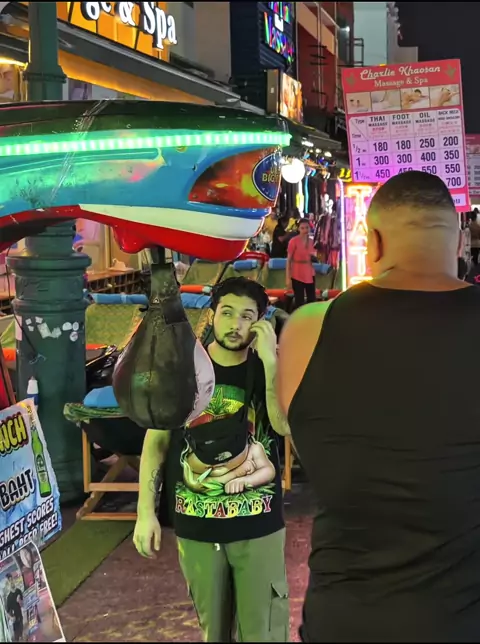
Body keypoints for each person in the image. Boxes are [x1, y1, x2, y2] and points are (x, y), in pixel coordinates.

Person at [277, 170, 480, 643]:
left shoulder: (308, 329)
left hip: (345, 619)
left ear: (372, 243)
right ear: (459, 243)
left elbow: (315, 441)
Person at [133, 277, 290, 643]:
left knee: (266, 633)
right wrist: (145, 513)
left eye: (247, 316)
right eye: (227, 313)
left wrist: (271, 362)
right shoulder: (183, 371)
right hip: (197, 527)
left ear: (260, 323)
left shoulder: (267, 370)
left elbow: (283, 426)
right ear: (212, 315)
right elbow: (156, 441)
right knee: (213, 632)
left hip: (259, 526)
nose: (235, 324)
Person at [286, 218, 316, 308]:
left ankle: (311, 315)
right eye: (302, 228)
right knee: (299, 300)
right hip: (297, 272)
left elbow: (316, 257)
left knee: (312, 298)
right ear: (298, 229)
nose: (305, 230)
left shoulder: (312, 241)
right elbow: (288, 260)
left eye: (307, 228)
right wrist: (288, 278)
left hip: (309, 271)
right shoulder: (293, 241)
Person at [5, 574, 23, 642]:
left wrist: (19, 601)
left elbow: (23, 604)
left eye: (12, 579)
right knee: (17, 638)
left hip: (20, 617)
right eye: (9, 581)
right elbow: (7, 612)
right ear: (8, 584)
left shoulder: (18, 591)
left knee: (21, 635)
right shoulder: (8, 598)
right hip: (15, 622)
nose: (11, 582)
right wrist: (11, 618)